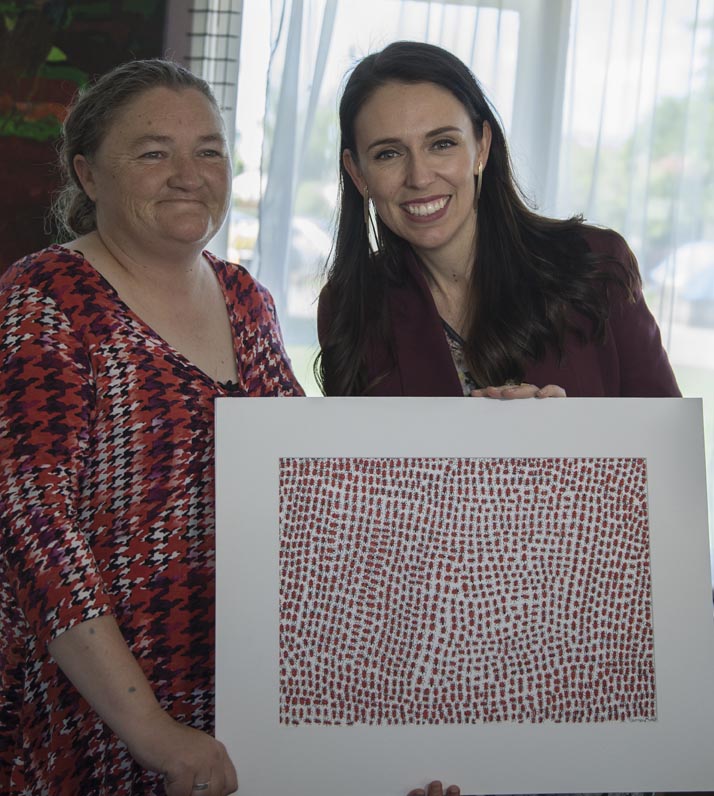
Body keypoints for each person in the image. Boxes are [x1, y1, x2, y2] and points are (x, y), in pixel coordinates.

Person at [0, 59, 303, 795]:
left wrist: (492, 425)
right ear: (89, 174)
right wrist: (154, 734)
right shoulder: (45, 299)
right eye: (153, 152)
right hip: (101, 711)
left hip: (240, 697)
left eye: (208, 150)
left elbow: (310, 475)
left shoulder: (246, 299)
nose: (188, 174)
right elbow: (31, 524)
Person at [315, 40, 680, 400]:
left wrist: (571, 436)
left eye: (442, 143)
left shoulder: (597, 264)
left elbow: (665, 448)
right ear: (358, 173)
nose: (420, 177)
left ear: (482, 146)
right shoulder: (349, 306)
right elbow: (358, 459)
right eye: (388, 153)